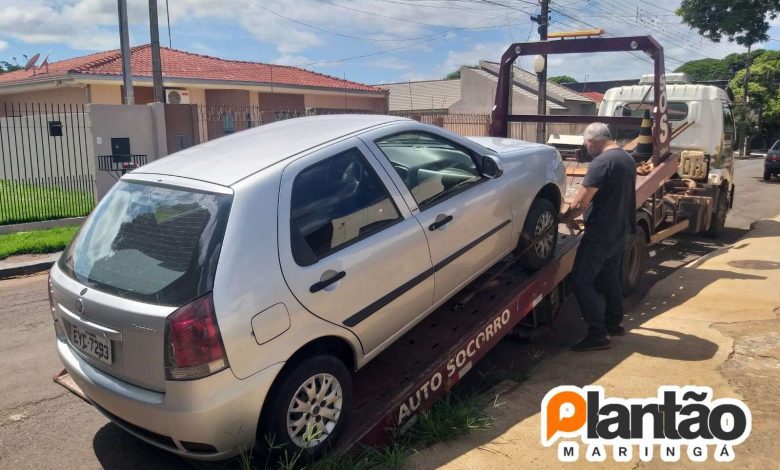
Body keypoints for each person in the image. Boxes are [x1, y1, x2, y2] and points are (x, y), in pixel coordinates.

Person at [562, 122, 636, 351]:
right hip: (621, 228)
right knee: (610, 275)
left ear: (593, 141)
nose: (587, 148)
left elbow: (580, 203)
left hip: (601, 232)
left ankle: (598, 335)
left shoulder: (601, 163)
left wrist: (564, 218)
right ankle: (614, 324)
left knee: (580, 279)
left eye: (586, 143)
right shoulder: (626, 158)